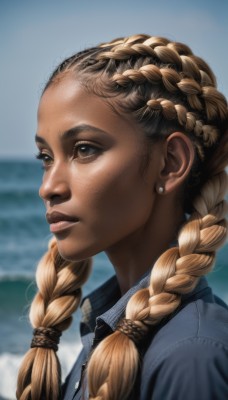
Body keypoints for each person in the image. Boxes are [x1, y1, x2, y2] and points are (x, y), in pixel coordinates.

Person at [16, 34, 228, 400]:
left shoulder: (192, 356)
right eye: (46, 157)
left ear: (170, 163)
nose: (48, 186)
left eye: (84, 149)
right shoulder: (109, 333)